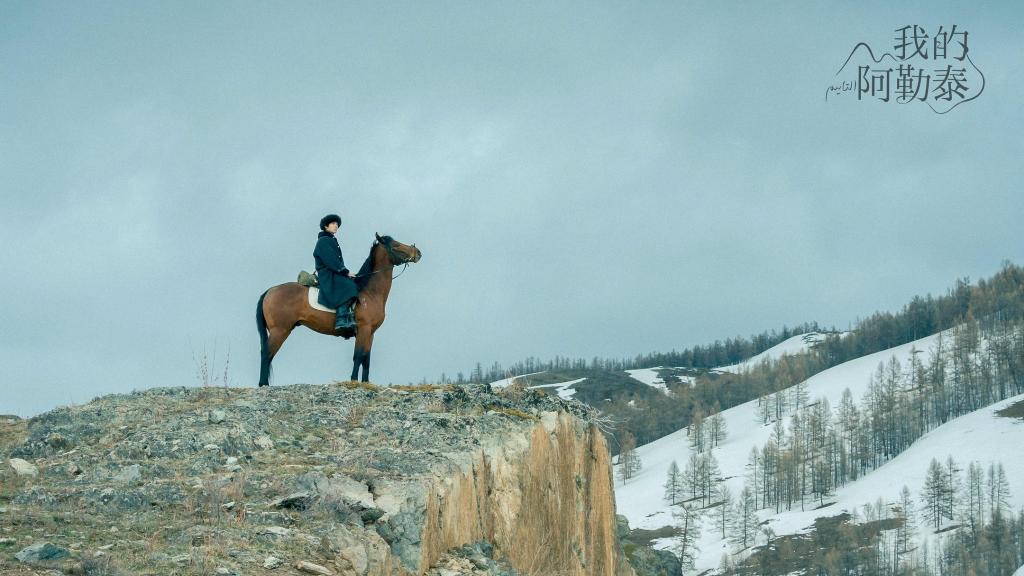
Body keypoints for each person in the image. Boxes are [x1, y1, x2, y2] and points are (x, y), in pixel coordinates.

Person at [313, 214, 359, 331]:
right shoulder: (324, 241)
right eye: (333, 223)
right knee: (349, 286)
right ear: (326, 226)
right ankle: (341, 319)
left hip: (334, 271)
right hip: (328, 274)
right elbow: (331, 260)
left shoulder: (331, 240)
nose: (336, 226)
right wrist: (345, 272)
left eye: (337, 224)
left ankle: (349, 314)